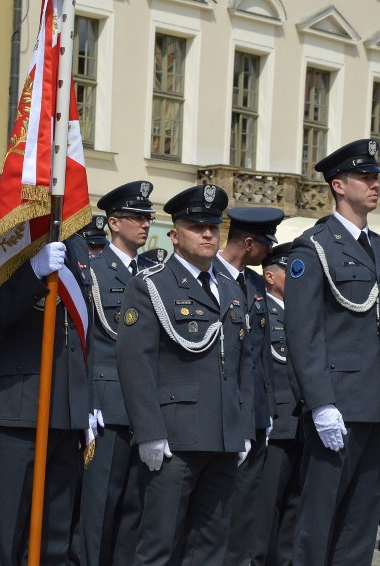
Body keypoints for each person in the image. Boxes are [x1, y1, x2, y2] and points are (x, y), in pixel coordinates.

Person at [285, 139, 380, 564]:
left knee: (360, 525)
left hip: (379, 405)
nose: (376, 184)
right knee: (318, 520)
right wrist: (322, 403)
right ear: (339, 186)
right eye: (366, 177)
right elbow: (303, 334)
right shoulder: (314, 247)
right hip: (339, 406)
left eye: (376, 177)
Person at [116, 184, 251, 565]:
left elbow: (243, 365)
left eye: (213, 226)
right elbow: (135, 363)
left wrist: (241, 429)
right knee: (160, 545)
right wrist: (150, 433)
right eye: (196, 226)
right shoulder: (151, 284)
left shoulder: (230, 289)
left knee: (210, 547)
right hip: (174, 439)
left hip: (222, 437)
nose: (208, 233)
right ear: (175, 235)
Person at [0, 213, 93, 564]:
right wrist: (32, 273)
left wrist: (85, 401)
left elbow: (84, 329)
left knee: (55, 539)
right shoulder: (4, 231)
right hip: (15, 407)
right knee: (3, 536)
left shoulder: (75, 240)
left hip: (65, 410)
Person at [79, 180, 157, 566]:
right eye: (137, 217)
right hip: (107, 407)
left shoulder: (155, 274)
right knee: (98, 509)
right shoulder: (93, 272)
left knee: (133, 510)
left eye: (148, 217)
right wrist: (88, 402)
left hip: (146, 410)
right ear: (113, 223)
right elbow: (84, 345)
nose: (145, 224)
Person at [215, 206, 284, 564]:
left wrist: (268, 410)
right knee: (217, 512)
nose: (268, 255)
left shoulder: (255, 285)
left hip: (255, 414)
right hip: (222, 414)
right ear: (247, 242)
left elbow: (263, 354)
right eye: (264, 246)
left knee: (247, 508)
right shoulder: (210, 277)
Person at [250, 242, 303, 565]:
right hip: (276, 424)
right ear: (269, 276)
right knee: (263, 512)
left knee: (293, 510)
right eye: (290, 270)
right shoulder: (262, 311)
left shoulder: (300, 314)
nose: (297, 277)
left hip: (301, 426)